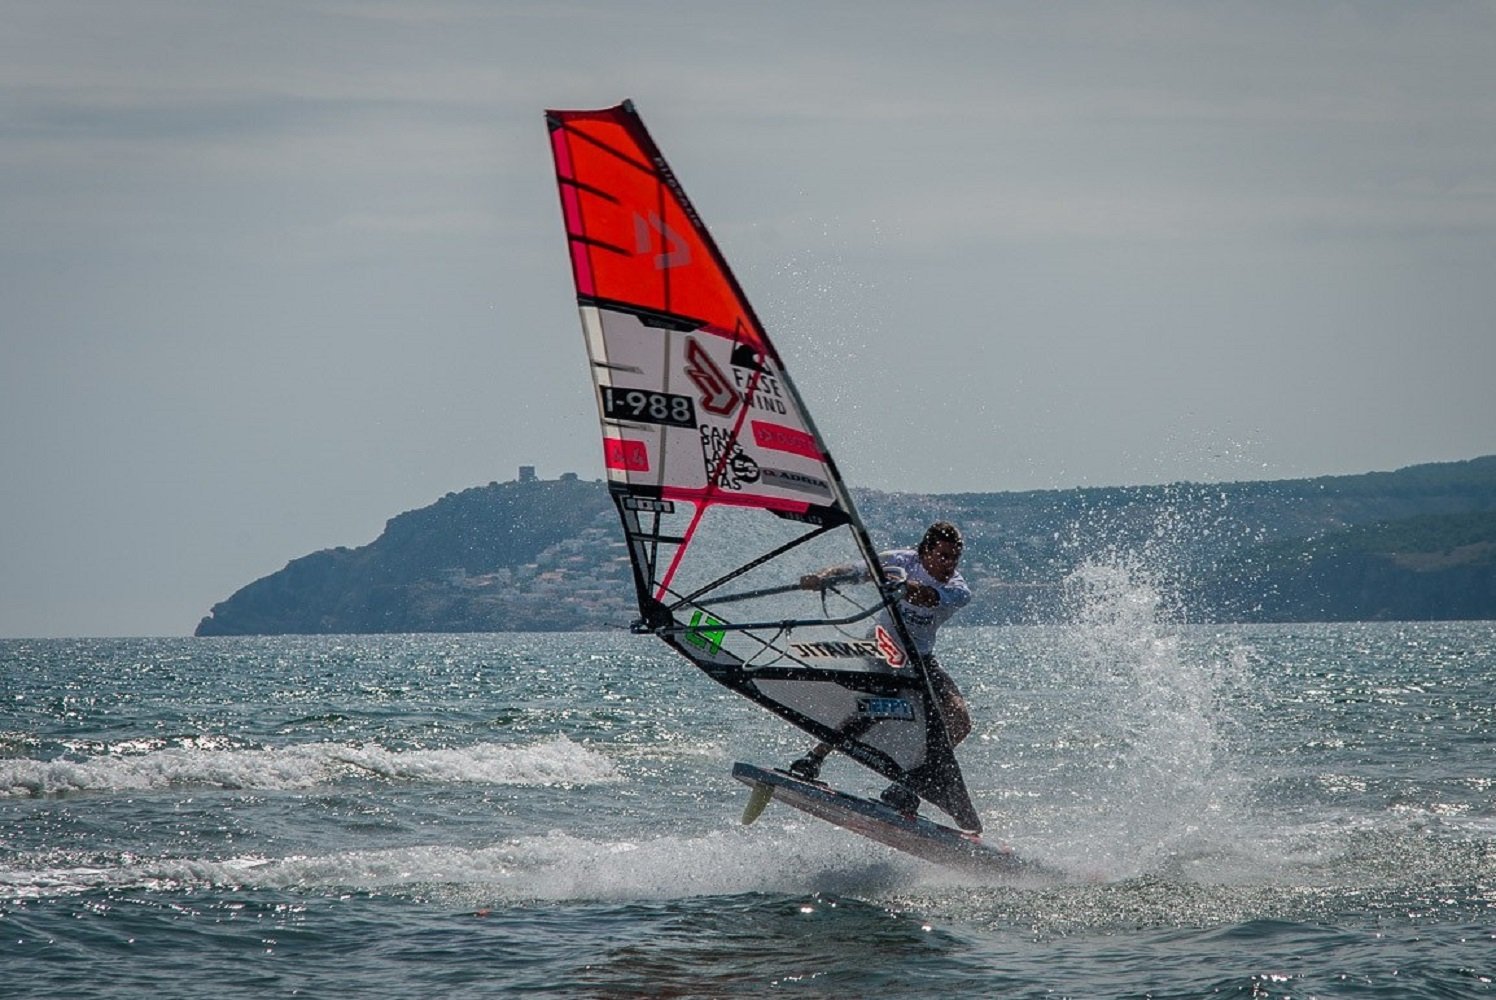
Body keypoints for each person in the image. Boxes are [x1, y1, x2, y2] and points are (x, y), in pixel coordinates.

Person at [788, 520, 973, 814]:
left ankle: (908, 784)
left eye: (954, 557)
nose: (949, 563)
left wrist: (903, 587)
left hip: (920, 658)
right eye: (943, 555)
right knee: (883, 701)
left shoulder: (957, 588)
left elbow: (926, 596)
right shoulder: (900, 561)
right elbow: (853, 571)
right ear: (925, 552)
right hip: (882, 646)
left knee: (959, 718)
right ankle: (814, 758)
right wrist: (822, 578)